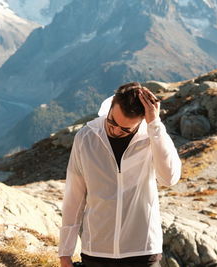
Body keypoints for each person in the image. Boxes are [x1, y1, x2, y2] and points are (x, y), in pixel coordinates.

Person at [59, 82, 182, 267]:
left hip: (143, 250)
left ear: (141, 120)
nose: (116, 130)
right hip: (96, 251)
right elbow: (74, 196)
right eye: (112, 122)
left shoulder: (152, 137)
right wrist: (65, 252)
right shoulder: (86, 137)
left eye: (125, 129)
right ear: (110, 106)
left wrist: (155, 126)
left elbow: (169, 178)